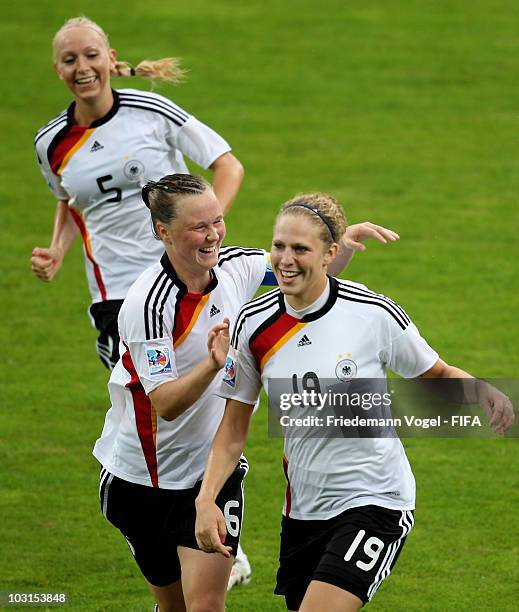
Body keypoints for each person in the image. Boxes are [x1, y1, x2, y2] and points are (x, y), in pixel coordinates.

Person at [93, 175, 402, 611]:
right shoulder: (149, 304)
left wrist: (340, 246)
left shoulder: (235, 265)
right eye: (199, 227)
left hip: (212, 471)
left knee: (204, 605)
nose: (214, 234)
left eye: (217, 221)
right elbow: (165, 404)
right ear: (162, 231)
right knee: (174, 607)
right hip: (139, 480)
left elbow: (301, 274)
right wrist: (213, 364)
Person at [194, 192, 515, 611]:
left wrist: (484, 390)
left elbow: (435, 372)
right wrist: (206, 499)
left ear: (330, 253)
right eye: (279, 246)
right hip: (304, 510)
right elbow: (233, 430)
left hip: (377, 499)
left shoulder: (371, 313)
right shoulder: (253, 326)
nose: (285, 259)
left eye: (300, 249)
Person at [31, 16, 244, 371]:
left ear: (110, 59)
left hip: (182, 274)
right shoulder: (49, 143)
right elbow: (69, 200)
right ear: (58, 69)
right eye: (70, 60)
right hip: (115, 292)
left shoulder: (151, 111)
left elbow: (228, 166)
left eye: (91, 55)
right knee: (144, 401)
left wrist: (202, 231)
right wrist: (56, 248)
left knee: (204, 392)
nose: (82, 68)